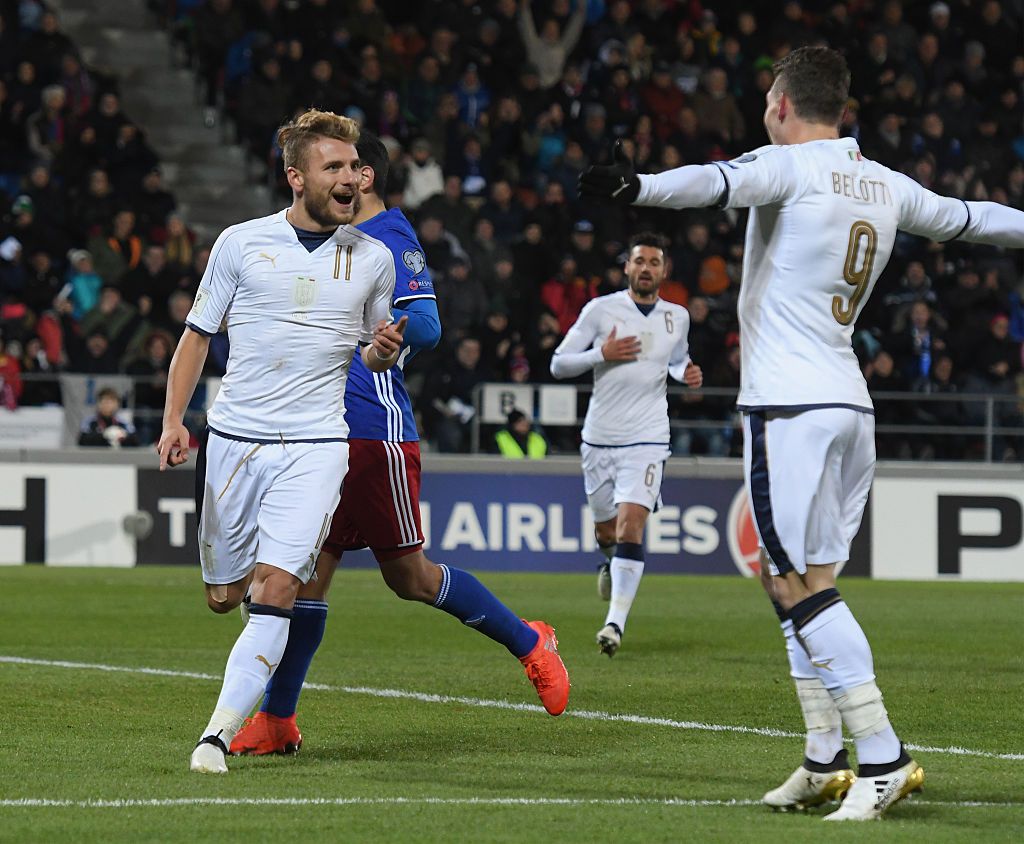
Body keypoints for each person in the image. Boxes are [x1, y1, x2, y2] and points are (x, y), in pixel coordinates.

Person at [578, 46, 1024, 820]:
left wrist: (637, 185)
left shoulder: (792, 165)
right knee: (793, 577)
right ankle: (825, 758)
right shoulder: (883, 182)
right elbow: (972, 221)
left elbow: (716, 182)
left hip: (789, 407)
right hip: (849, 405)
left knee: (796, 582)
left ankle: (882, 756)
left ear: (780, 103)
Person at [228, 131, 569, 758]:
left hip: (371, 434)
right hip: (321, 430)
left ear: (362, 176)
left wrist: (380, 339)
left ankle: (530, 642)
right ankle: (278, 721)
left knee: (408, 577)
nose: (332, 177)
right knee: (306, 579)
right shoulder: (327, 238)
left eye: (340, 166)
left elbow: (431, 325)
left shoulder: (390, 238)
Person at [157, 109, 405, 775]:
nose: (351, 177)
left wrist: (383, 352)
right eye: (334, 167)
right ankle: (248, 646)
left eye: (354, 167)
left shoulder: (376, 259)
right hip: (235, 440)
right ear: (298, 177)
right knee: (224, 596)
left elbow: (376, 353)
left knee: (278, 589)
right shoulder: (241, 243)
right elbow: (197, 336)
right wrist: (173, 420)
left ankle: (215, 736)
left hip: (319, 444)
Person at [550, 231, 703, 657]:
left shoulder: (678, 316)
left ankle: (614, 623)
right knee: (606, 532)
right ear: (628, 268)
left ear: (664, 271)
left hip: (649, 438)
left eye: (655, 262)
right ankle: (609, 562)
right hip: (600, 438)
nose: (647, 269)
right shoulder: (601, 310)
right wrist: (603, 353)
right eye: (640, 261)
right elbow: (559, 363)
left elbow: (676, 360)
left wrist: (685, 372)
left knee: (631, 525)